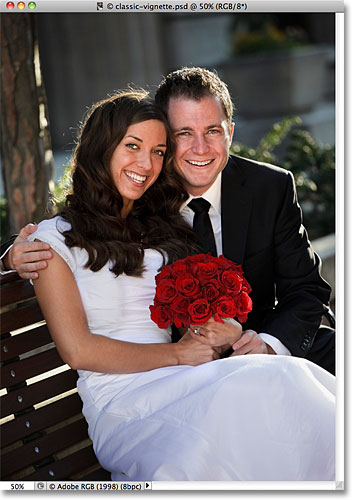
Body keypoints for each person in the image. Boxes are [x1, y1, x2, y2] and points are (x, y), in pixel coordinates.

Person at [4, 89, 335, 482]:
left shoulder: (155, 223)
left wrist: (214, 331)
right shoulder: (53, 239)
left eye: (158, 151)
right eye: (132, 147)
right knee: (261, 394)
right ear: (100, 148)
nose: (146, 163)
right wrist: (9, 256)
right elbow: (78, 351)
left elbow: (298, 290)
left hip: (184, 379)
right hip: (126, 402)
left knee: (286, 379)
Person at [1, 67, 335, 374]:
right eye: (184, 133)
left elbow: (306, 288)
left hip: (264, 341)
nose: (200, 148)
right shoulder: (140, 194)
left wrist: (267, 344)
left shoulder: (269, 187)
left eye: (213, 131)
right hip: (182, 368)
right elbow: (78, 228)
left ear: (230, 132)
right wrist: (10, 255)